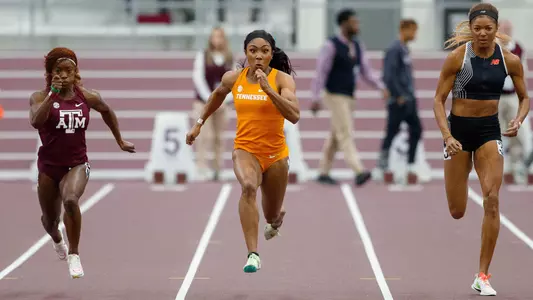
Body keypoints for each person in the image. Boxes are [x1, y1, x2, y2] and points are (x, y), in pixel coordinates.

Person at [433, 3, 529, 296]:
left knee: (492, 198)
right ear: (471, 29)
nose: (484, 34)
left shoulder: (510, 60)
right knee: (457, 210)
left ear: (496, 29)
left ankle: (483, 275)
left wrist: (519, 118)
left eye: (489, 29)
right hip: (458, 134)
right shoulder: (457, 58)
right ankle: (456, 177)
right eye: (478, 29)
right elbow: (438, 100)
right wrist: (447, 135)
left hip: (489, 131)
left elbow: (525, 97)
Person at [186, 29, 299, 273]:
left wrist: (268, 90)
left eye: (264, 51)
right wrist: (198, 124)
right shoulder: (233, 78)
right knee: (248, 186)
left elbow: (294, 116)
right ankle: (253, 254)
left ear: (271, 54)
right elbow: (216, 97)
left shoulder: (283, 80)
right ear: (246, 53)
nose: (258, 56)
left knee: (270, 216)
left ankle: (277, 216)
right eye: (253, 51)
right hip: (246, 150)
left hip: (276, 155)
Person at [29, 47, 135, 278]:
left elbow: (107, 111)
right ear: (50, 73)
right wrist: (52, 95)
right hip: (49, 167)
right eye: (59, 71)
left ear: (76, 72)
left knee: (70, 200)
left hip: (77, 163)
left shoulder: (87, 97)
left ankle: (74, 255)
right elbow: (36, 122)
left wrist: (120, 140)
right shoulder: (39, 97)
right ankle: (57, 238)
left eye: (69, 70)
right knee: (50, 221)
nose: (65, 75)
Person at [310, 8, 388, 186]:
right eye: (354, 22)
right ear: (344, 24)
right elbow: (321, 72)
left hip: (349, 96)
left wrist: (381, 86)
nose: (357, 25)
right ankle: (358, 170)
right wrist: (315, 97)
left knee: (336, 134)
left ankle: (323, 171)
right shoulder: (331, 45)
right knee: (345, 132)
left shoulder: (358, 46)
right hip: (334, 95)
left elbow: (366, 72)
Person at [376, 19, 422, 182]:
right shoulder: (394, 49)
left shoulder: (404, 49)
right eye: (414, 31)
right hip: (399, 100)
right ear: (405, 29)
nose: (416, 35)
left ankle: (410, 164)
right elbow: (388, 75)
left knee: (416, 129)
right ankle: (382, 166)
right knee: (391, 131)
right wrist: (398, 94)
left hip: (409, 99)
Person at [192, 26, 234, 181]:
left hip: (223, 104)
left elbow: (235, 82)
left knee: (219, 137)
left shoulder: (229, 57)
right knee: (203, 135)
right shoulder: (202, 56)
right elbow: (198, 78)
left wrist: (224, 100)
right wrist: (210, 99)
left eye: (220, 37)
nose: (217, 40)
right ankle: (201, 168)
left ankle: (217, 168)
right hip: (203, 103)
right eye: (214, 36)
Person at [497, 20, 532, 183]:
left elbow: (523, 72)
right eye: (503, 29)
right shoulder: (491, 47)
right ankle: (505, 169)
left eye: (508, 29)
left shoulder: (518, 48)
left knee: (520, 132)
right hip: (495, 97)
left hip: (512, 96)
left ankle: (525, 167)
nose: (506, 32)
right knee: (496, 133)